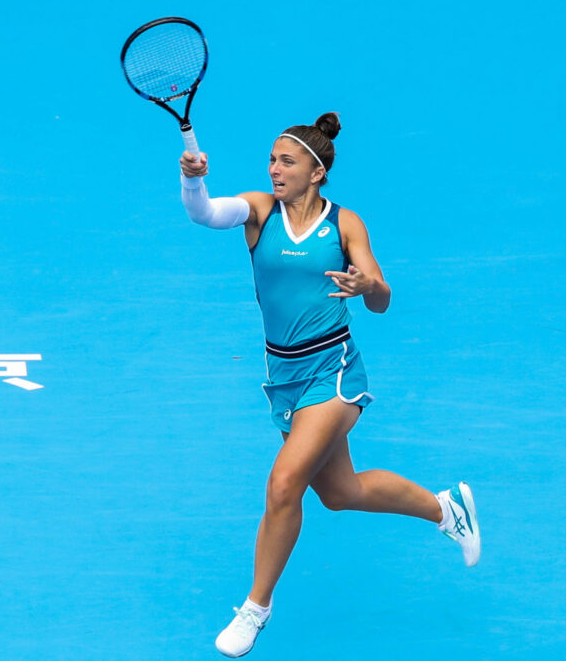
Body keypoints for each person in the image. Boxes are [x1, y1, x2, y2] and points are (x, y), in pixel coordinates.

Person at [179, 112, 481, 658]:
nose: (274, 169)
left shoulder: (344, 225)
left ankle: (255, 609)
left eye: (287, 161)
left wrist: (368, 284)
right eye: (271, 159)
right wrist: (193, 177)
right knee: (341, 493)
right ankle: (445, 510)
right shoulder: (260, 211)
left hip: (333, 370)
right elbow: (203, 214)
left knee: (284, 483)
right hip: (283, 377)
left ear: (316, 172)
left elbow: (382, 298)